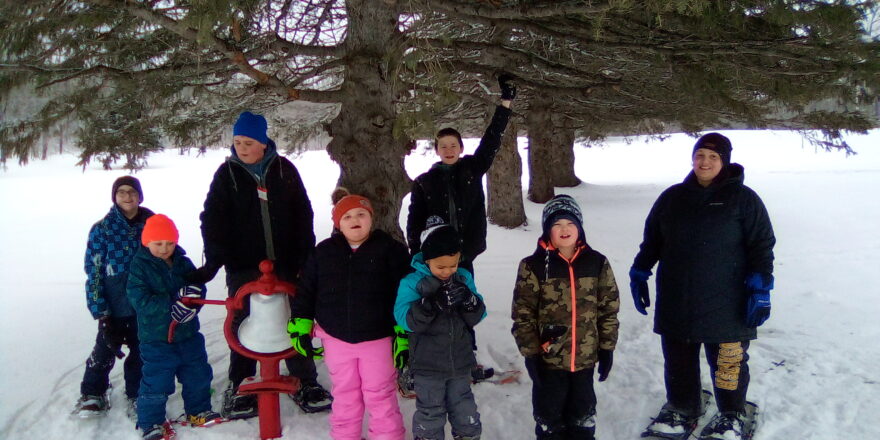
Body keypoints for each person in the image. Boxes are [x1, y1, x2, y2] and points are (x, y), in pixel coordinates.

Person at [630, 133, 775, 440]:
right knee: (678, 358)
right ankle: (683, 408)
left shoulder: (744, 199)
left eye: (713, 156)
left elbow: (762, 245)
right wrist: (641, 270)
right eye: (700, 155)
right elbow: (653, 240)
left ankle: (732, 413)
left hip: (728, 300)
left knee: (727, 361)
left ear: (724, 161)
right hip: (677, 297)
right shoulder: (672, 198)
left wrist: (762, 287)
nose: (704, 162)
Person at [190, 111, 331, 419]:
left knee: (296, 318)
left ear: (263, 142)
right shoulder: (226, 175)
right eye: (237, 141)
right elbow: (212, 218)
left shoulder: (285, 170)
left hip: (287, 262)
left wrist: (304, 258)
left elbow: (302, 215)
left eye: (248, 141)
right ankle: (240, 385)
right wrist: (216, 257)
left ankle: (306, 382)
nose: (241, 147)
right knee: (241, 322)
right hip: (244, 265)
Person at [289, 189, 409, 440]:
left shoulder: (390, 250)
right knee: (345, 394)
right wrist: (301, 325)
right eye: (347, 216)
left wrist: (403, 331)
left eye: (361, 214)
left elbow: (404, 294)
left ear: (371, 218)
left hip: (377, 339)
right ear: (338, 223)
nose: (355, 220)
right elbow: (306, 292)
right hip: (336, 339)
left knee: (380, 394)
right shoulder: (323, 252)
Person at [511, 195, 620, 440]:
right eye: (557, 224)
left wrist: (607, 348)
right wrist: (531, 354)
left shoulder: (596, 263)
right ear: (547, 229)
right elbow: (523, 313)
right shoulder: (533, 266)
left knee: (582, 413)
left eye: (570, 223)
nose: (564, 229)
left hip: (585, 359)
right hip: (549, 361)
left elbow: (608, 309)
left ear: (579, 227)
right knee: (549, 415)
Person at [405, 74, 516, 275]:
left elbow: (491, 140)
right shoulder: (424, 182)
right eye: (443, 146)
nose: (449, 150)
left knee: (466, 300)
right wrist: (416, 253)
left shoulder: (472, 169)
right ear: (437, 150)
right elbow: (414, 221)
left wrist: (505, 103)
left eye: (453, 145)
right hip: (434, 257)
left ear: (461, 148)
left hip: (465, 254)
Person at [126, 214, 222, 440]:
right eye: (158, 243)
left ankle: (198, 411)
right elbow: (139, 300)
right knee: (157, 380)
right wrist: (172, 304)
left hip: (188, 334)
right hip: (156, 338)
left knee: (197, 374)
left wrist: (193, 303)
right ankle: (151, 422)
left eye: (169, 243)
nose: (164, 248)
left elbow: (196, 287)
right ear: (146, 241)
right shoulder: (139, 267)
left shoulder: (183, 262)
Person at [394, 217, 487, 440]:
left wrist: (469, 300)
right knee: (430, 412)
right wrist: (430, 304)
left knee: (465, 410)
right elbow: (403, 319)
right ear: (427, 261)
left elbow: (478, 315)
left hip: (460, 362)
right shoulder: (412, 283)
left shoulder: (463, 278)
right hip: (428, 366)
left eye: (452, 265)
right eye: (440, 267)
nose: (447, 271)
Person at [73, 176, 154, 420]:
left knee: (142, 352)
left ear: (140, 196)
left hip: (144, 304)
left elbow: (166, 258)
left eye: (132, 192)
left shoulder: (152, 224)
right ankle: (93, 393)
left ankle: (137, 393)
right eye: (122, 192)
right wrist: (101, 311)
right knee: (104, 350)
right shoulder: (103, 229)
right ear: (114, 196)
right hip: (115, 306)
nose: (127, 197)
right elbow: (94, 273)